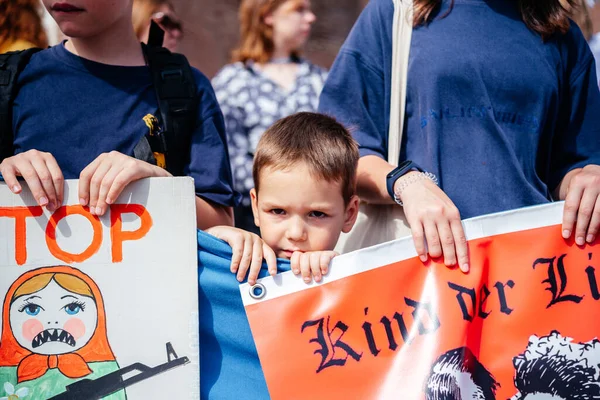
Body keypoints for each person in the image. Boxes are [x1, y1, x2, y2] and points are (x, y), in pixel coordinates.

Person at [319, 0, 600, 273]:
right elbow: (338, 157)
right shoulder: (395, 13)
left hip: (530, 271)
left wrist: (587, 179)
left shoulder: (561, 34)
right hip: (421, 270)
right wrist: (407, 184)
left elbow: (568, 167)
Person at [0, 0, 237, 230]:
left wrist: (160, 185)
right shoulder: (9, 81)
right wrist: (6, 173)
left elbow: (222, 222)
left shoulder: (185, 88)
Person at [197, 112, 360, 398]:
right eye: (278, 212)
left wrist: (331, 275)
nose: (296, 232)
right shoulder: (235, 253)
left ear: (349, 214)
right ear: (256, 206)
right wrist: (220, 238)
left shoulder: (354, 279)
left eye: (317, 214)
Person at [212, 0, 328, 235]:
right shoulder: (234, 82)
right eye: (298, 9)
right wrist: (279, 192)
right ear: (268, 15)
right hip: (255, 225)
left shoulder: (320, 79)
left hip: (315, 223)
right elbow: (226, 159)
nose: (310, 18)